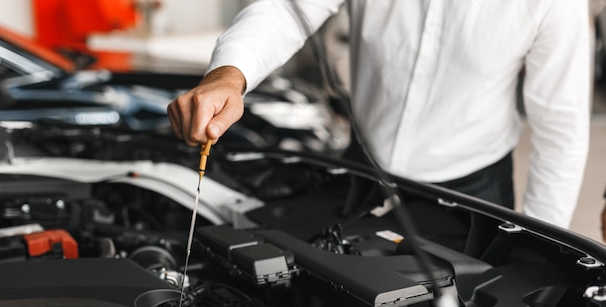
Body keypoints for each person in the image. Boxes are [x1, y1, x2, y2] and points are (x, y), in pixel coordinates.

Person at [167, 0, 591, 228]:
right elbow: (285, 9)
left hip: (471, 193)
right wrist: (228, 75)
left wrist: (541, 248)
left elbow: (561, 130)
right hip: (361, 168)